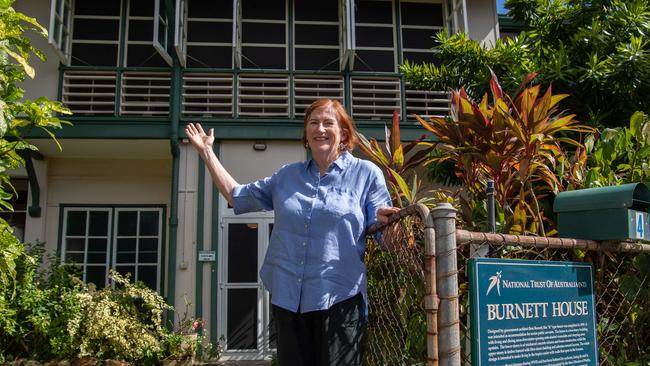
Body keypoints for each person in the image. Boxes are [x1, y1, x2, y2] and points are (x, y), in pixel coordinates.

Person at [185, 99, 399, 366]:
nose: (320, 128)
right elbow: (236, 196)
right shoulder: (287, 176)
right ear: (306, 135)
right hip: (289, 300)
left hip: (339, 299)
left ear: (344, 133)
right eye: (313, 123)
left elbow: (387, 239)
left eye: (328, 122)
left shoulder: (366, 174)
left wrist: (390, 225)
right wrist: (207, 152)